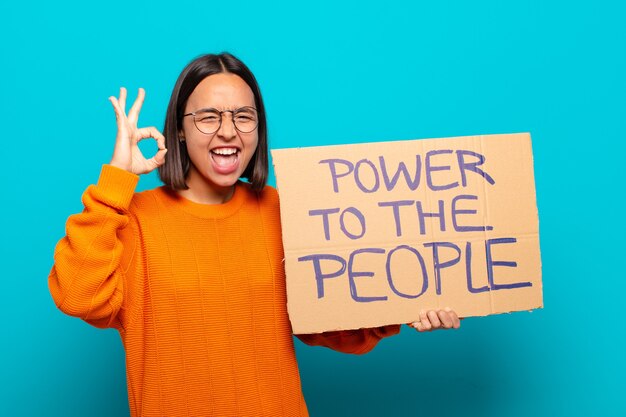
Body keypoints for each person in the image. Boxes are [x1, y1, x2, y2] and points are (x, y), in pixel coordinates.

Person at [49, 52, 461, 417]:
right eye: (209, 117)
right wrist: (117, 180)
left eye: (243, 116)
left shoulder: (283, 210)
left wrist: (401, 306)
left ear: (258, 129)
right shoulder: (135, 219)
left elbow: (329, 325)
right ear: (178, 129)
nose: (228, 131)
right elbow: (78, 297)